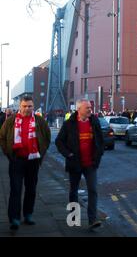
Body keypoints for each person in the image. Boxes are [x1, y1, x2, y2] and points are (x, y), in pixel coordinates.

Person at [0, 96, 51, 231]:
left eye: (30, 106)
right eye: (24, 106)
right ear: (20, 107)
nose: (27, 109)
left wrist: (42, 151)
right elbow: (3, 137)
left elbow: (47, 137)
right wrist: (8, 154)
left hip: (33, 160)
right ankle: (14, 218)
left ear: (33, 107)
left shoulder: (39, 121)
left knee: (31, 189)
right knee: (15, 189)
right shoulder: (11, 121)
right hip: (16, 160)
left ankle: (28, 214)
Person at [55, 99, 105, 230]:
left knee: (93, 190)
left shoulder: (94, 122)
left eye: (90, 107)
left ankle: (92, 220)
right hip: (75, 164)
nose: (90, 109)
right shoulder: (69, 124)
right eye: (87, 108)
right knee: (73, 191)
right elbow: (59, 141)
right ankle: (74, 217)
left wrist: (99, 153)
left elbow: (100, 140)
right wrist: (68, 154)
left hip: (91, 164)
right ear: (79, 109)